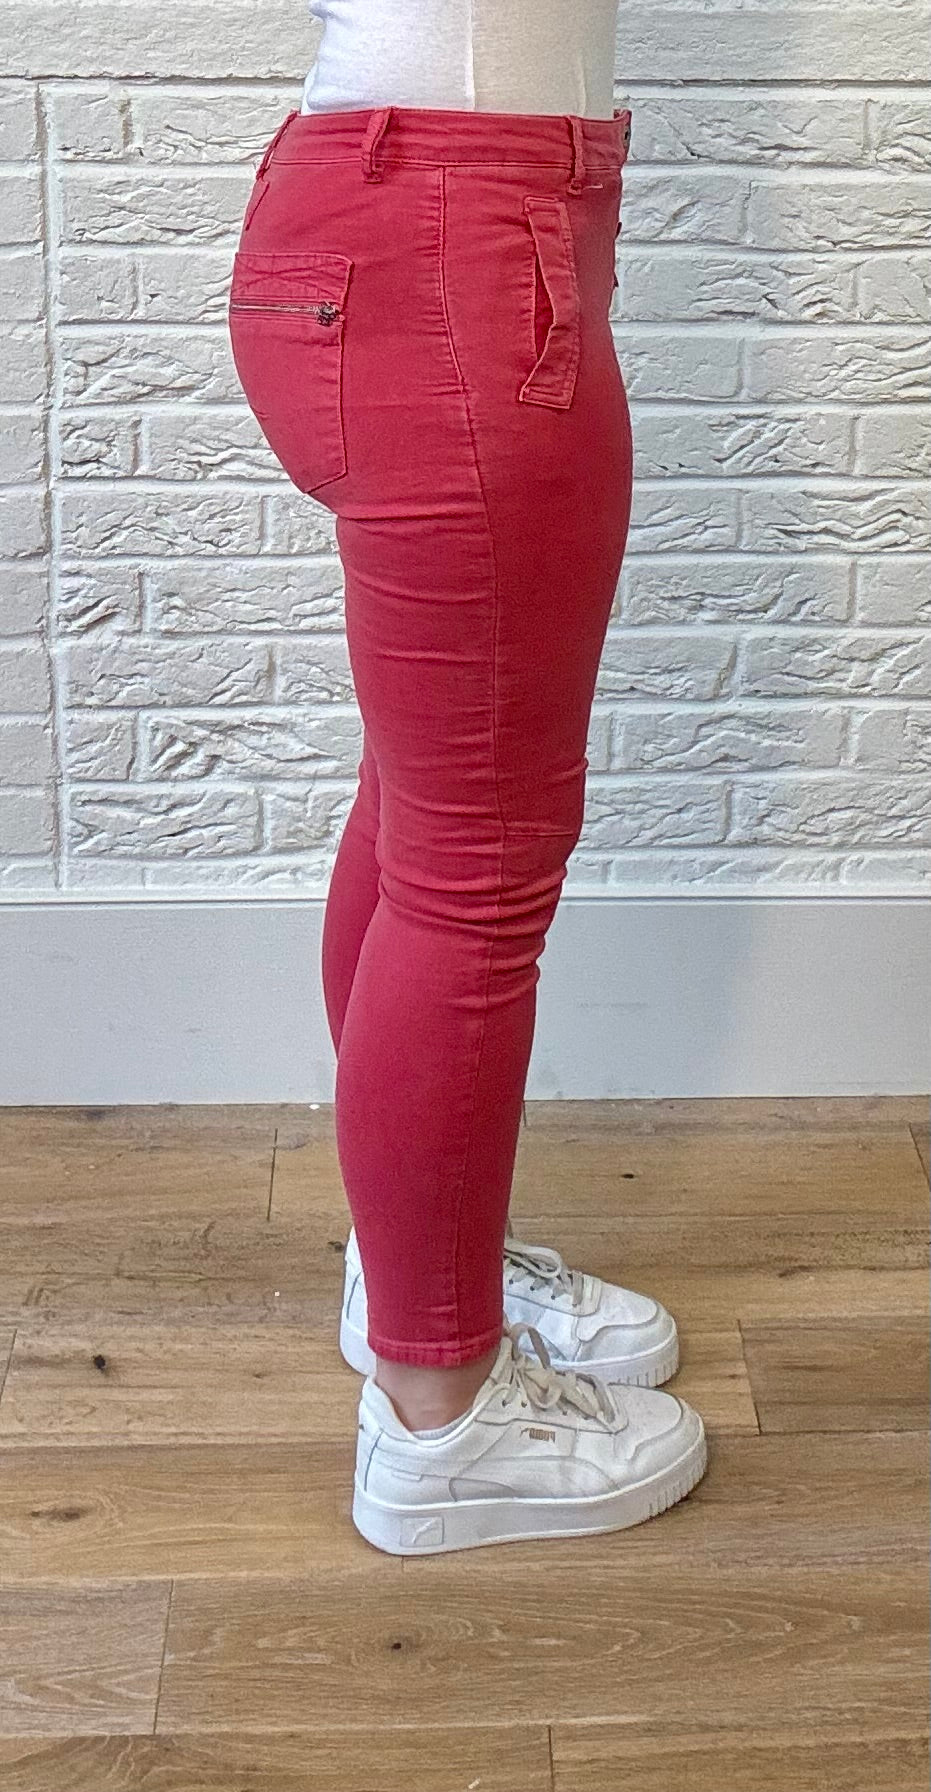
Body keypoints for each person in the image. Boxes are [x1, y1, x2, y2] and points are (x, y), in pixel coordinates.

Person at [228, 0, 707, 1555]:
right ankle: (442, 1416)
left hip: (388, 209)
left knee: (426, 807)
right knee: (478, 861)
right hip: (458, 231)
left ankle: (415, 1269)